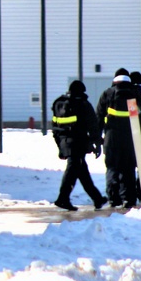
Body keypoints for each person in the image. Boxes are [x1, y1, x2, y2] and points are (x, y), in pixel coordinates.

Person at [51, 80, 108, 211]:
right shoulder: (83, 104)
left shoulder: (58, 104)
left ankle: (97, 198)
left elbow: (54, 126)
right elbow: (93, 127)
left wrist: (60, 145)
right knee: (73, 169)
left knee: (82, 171)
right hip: (78, 143)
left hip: (64, 141)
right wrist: (98, 144)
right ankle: (62, 198)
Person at [95, 68, 141, 208]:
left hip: (111, 138)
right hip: (131, 138)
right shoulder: (135, 94)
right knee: (128, 169)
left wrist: (97, 139)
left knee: (112, 168)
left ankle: (113, 198)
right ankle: (128, 198)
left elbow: (98, 117)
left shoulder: (107, 94)